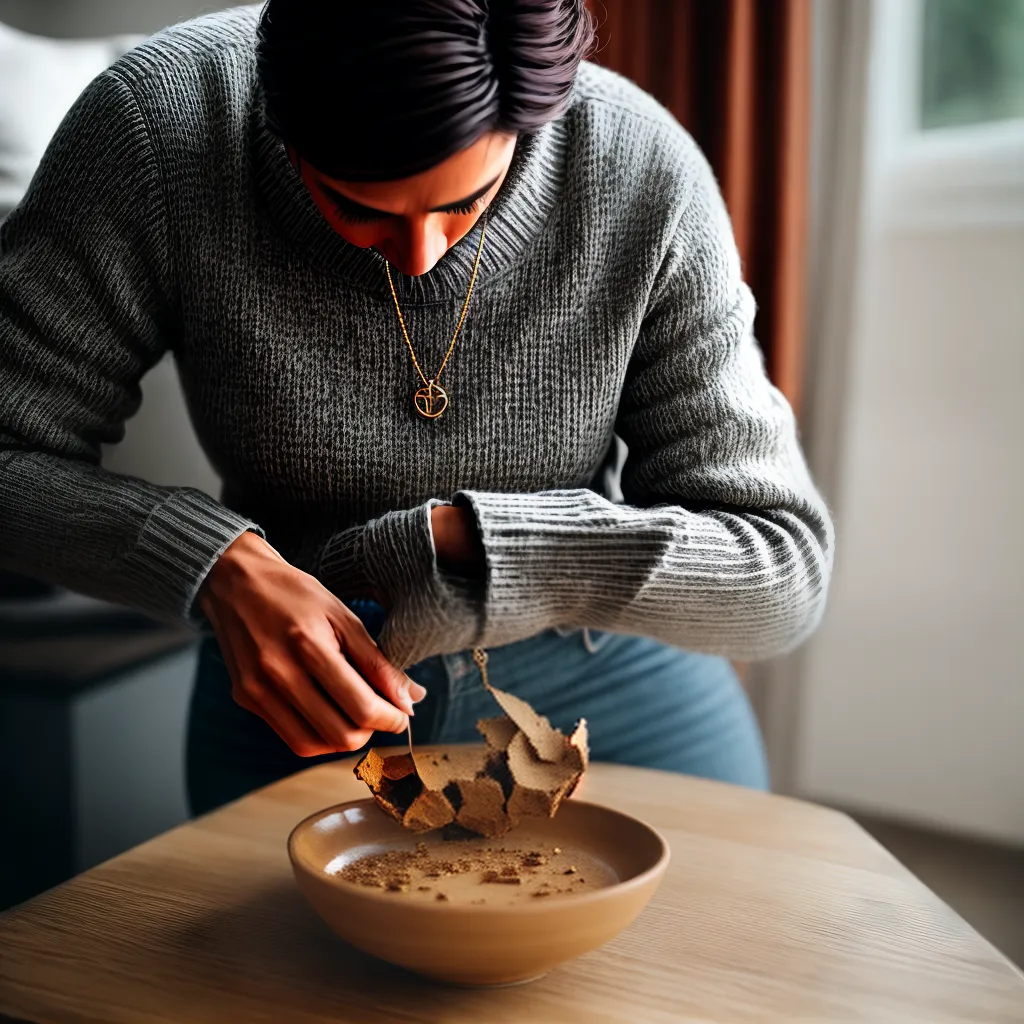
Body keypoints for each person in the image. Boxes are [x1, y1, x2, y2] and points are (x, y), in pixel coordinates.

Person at [0, 1, 833, 816]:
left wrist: (468, 545)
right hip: (299, 706)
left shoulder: (639, 167)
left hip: (617, 703)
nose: (422, 257)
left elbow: (781, 568)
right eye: (356, 206)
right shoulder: (160, 127)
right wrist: (216, 566)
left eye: (468, 201)